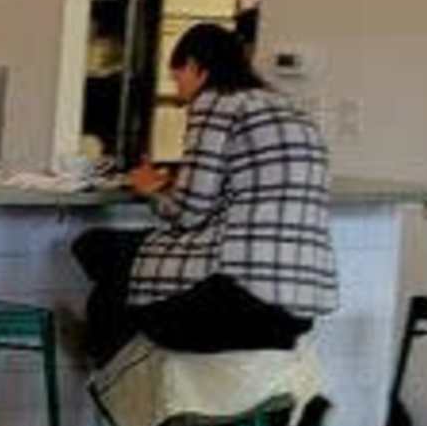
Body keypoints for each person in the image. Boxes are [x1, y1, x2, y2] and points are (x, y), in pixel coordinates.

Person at [76, 22, 335, 363]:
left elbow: (189, 213)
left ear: (195, 66)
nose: (179, 94)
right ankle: (128, 374)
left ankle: (112, 377)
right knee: (117, 286)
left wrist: (149, 189)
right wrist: (170, 184)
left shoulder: (215, 102)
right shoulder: (292, 110)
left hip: (236, 292)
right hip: (301, 303)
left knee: (96, 249)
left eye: (178, 78)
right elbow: (244, 188)